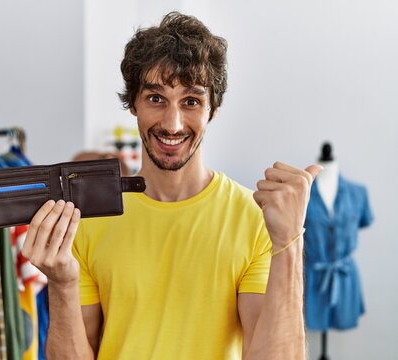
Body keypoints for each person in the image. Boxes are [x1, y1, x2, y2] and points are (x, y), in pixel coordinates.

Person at [22, 11, 322, 359]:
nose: (173, 123)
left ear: (213, 110)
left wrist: (290, 242)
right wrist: (61, 283)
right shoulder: (89, 218)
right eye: (156, 98)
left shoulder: (253, 220)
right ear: (133, 104)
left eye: (191, 101)